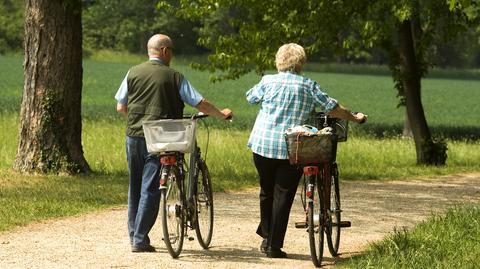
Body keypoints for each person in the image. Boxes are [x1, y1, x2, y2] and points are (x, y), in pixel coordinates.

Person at [246, 43, 366, 258]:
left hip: (262, 145)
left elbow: (250, 97)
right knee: (283, 194)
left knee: (266, 190)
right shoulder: (308, 85)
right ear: (300, 62)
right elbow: (333, 107)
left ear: (279, 60)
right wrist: (355, 117)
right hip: (292, 148)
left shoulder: (267, 81)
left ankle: (266, 235)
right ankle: (273, 246)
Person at [115, 34, 233, 252]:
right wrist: (221, 114)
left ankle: (135, 235)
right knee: (150, 188)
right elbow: (200, 103)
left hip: (133, 136)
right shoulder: (174, 76)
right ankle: (140, 240)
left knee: (136, 186)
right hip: (161, 139)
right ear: (165, 51)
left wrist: (139, 123)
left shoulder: (132, 72)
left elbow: (121, 107)